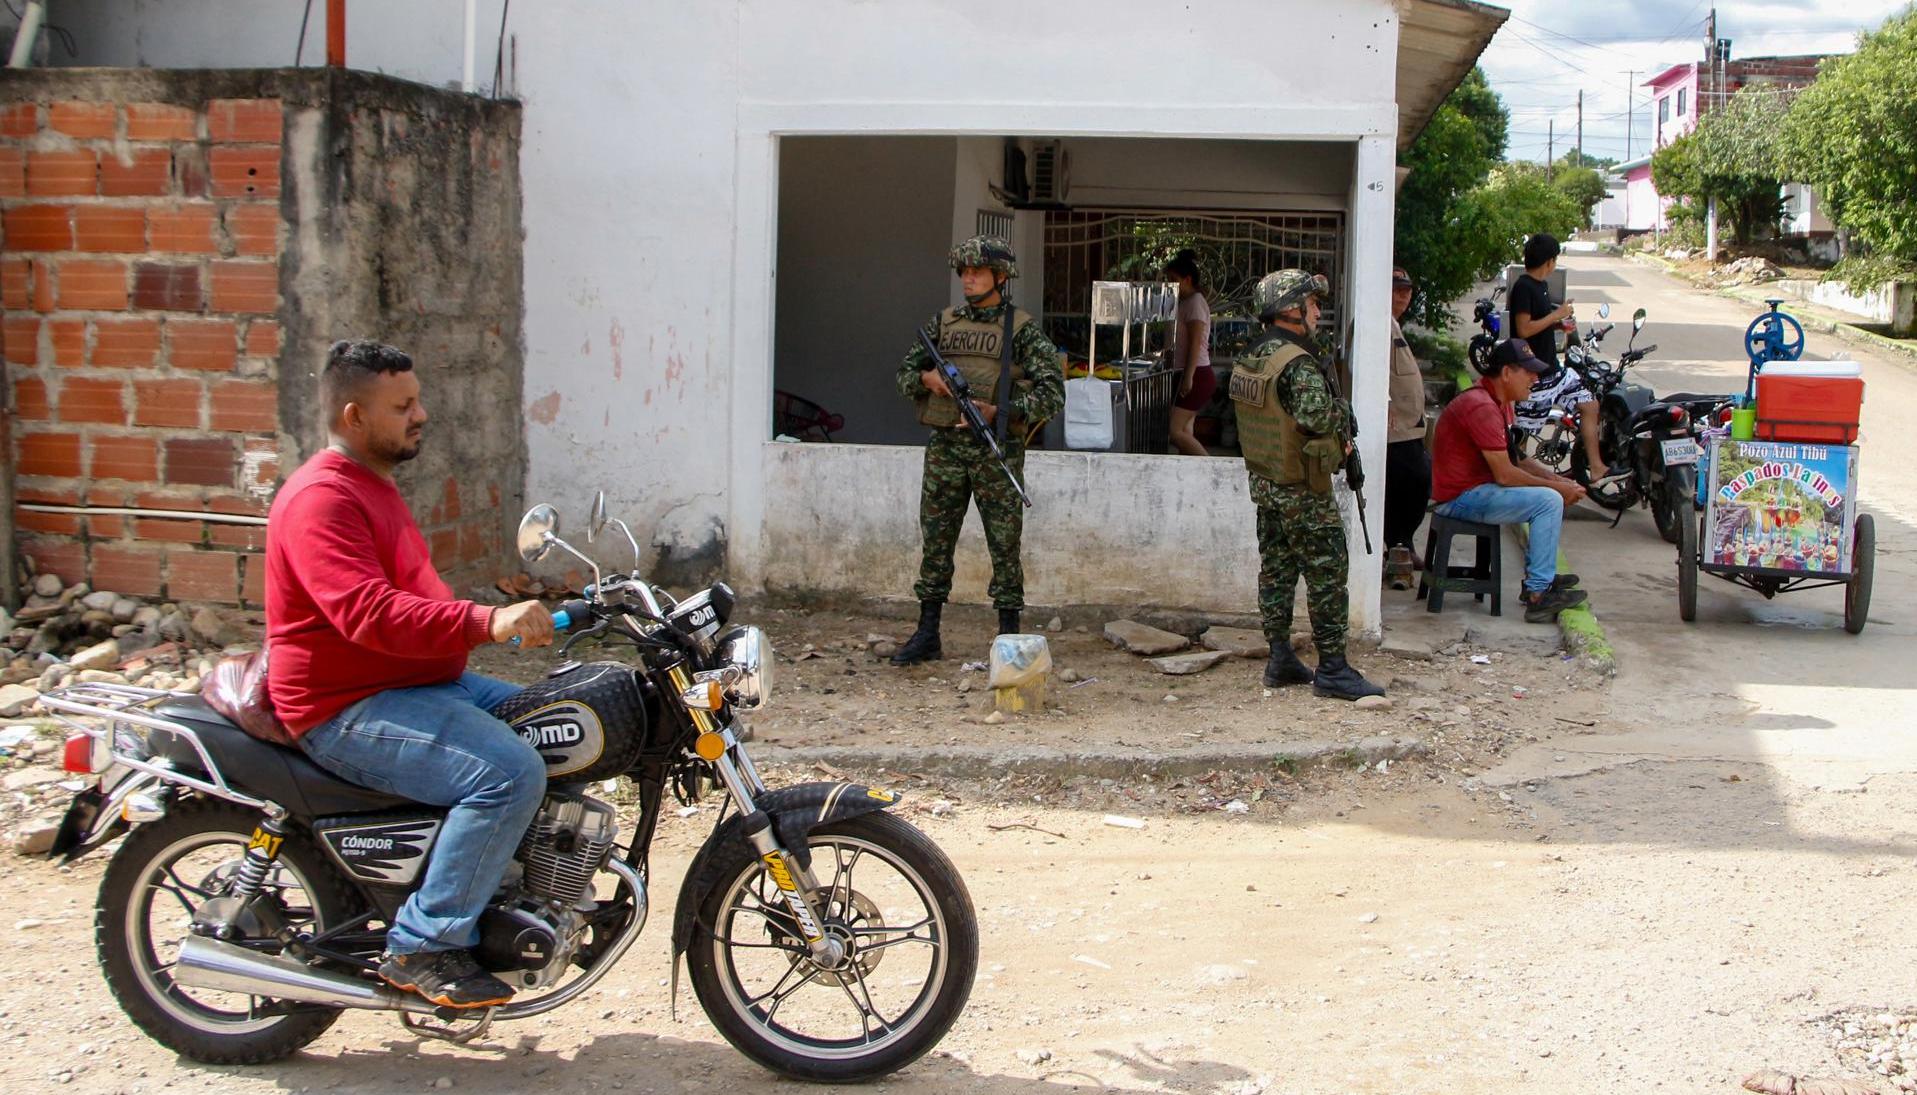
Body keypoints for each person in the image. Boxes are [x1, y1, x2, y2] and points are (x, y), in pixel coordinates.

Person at [267, 339, 555, 1009]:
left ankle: (509, 891)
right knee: (509, 771)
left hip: (412, 682)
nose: (421, 414)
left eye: (417, 399)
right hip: (346, 702)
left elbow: (415, 600)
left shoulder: (372, 485)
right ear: (353, 416)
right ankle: (424, 944)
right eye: (402, 406)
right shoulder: (321, 500)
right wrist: (487, 621)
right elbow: (366, 613)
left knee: (558, 718)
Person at [889, 236, 1065, 665]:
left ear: (1000, 277)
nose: (967, 278)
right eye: (963, 271)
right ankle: (927, 632)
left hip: (995, 452)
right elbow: (904, 375)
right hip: (946, 449)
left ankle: (1008, 638)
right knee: (937, 542)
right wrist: (929, 381)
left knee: (1004, 546)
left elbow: (1052, 395)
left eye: (977, 271)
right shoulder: (942, 324)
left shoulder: (1021, 330)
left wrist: (998, 411)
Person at [1231, 269, 1384, 701]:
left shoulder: (1253, 357)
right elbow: (1315, 417)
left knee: (1277, 572)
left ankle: (1280, 658)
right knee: (1327, 575)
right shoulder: (1297, 362)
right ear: (1290, 310)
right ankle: (1333, 669)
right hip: (1302, 490)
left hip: (1269, 484)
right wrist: (1343, 413)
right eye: (1312, 304)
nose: (1318, 311)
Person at [1429, 338, 1591, 624]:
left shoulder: (1499, 402)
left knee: (1551, 494)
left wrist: (1558, 479)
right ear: (1506, 373)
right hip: (1459, 498)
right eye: (1527, 372)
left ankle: (1540, 579)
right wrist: (1558, 489)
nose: (1534, 378)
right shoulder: (1481, 406)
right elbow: (1505, 474)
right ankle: (1539, 594)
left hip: (1476, 490)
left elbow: (1515, 458)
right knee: (1548, 501)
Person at [1507, 233, 1609, 480]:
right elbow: (1523, 329)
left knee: (1589, 404)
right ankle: (1517, 479)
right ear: (1550, 261)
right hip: (1533, 377)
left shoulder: (1542, 287)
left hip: (1555, 371)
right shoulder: (1523, 287)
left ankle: (1596, 466)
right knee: (1523, 434)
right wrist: (1557, 315)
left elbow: (1537, 325)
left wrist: (1559, 326)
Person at [1383, 266, 1430, 589]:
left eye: (1407, 290)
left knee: (1414, 484)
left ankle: (1403, 546)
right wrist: (1382, 402)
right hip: (1394, 427)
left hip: (1408, 426)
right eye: (1396, 289)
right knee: (1411, 482)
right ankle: (1397, 548)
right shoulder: (1374, 322)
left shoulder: (1393, 325)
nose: (1403, 296)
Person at [1163, 249, 1215, 457]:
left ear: (1187, 279)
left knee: (1174, 432)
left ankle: (1212, 469)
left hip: (1197, 373)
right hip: (1187, 372)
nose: (1171, 284)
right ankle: (1191, 474)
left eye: (1174, 280)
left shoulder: (1194, 302)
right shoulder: (1184, 302)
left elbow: (1196, 344)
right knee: (1185, 431)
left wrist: (1189, 377)